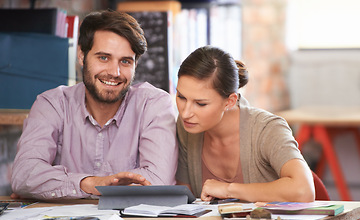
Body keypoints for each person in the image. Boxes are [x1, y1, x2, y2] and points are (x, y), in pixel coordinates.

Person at [11, 10, 178, 200]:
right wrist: (90, 183)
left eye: (125, 61)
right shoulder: (52, 104)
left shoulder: (154, 105)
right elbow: (24, 174)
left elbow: (158, 181)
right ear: (82, 55)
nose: (114, 72)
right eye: (103, 58)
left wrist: (52, 186)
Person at [175, 46, 315, 203]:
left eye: (200, 104)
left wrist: (228, 190)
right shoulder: (187, 128)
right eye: (181, 97)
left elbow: (304, 190)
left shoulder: (267, 129)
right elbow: (185, 203)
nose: (185, 113)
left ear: (230, 101)